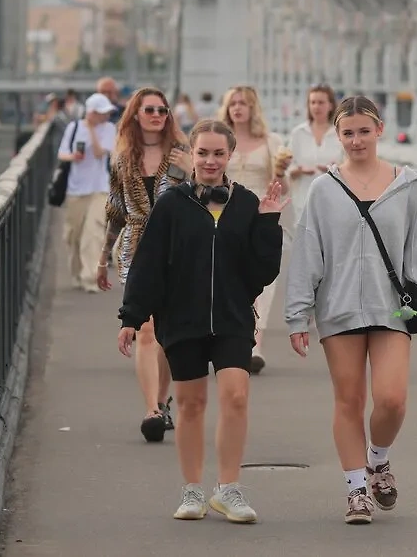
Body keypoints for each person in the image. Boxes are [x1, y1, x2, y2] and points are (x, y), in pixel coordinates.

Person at [284, 95, 417, 525]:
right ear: (339, 136)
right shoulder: (325, 189)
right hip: (338, 307)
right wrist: (297, 314)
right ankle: (356, 491)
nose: (356, 140)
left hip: (393, 309)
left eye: (364, 131)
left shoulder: (406, 185)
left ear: (379, 129)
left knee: (392, 400)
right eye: (348, 133)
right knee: (349, 400)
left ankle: (378, 461)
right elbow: (309, 252)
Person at [117, 119, 286, 523]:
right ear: (191, 155)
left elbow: (261, 272)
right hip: (183, 320)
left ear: (230, 157)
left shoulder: (245, 203)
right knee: (191, 404)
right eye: (203, 153)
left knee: (236, 397)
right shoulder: (171, 205)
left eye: (218, 154)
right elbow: (150, 264)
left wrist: (268, 222)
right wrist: (132, 315)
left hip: (232, 318)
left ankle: (228, 490)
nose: (210, 161)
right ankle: (192, 491)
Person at [99, 87, 192, 442]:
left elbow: (206, 199)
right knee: (146, 329)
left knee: (167, 336)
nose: (157, 115)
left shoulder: (182, 155)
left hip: (177, 249)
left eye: (163, 110)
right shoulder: (123, 160)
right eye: (149, 109)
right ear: (135, 115)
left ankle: (162, 400)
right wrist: (101, 259)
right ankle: (151, 409)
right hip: (137, 248)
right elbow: (116, 212)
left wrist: (195, 171)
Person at [218, 85, 292, 374]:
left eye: (243, 103)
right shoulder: (220, 138)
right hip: (224, 217)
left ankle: (254, 347)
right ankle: (228, 342)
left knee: (263, 285)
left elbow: (283, 188)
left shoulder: (271, 141)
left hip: (261, 218)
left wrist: (281, 173)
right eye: (233, 103)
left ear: (253, 108)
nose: (237, 108)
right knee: (228, 282)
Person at [57, 93, 117, 293]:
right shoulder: (73, 128)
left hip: (99, 188)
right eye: (102, 113)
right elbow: (62, 153)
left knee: (93, 232)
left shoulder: (108, 129)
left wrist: (92, 131)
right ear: (92, 112)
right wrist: (73, 156)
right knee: (73, 236)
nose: (106, 116)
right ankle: (76, 273)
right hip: (76, 189)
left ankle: (90, 277)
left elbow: (101, 153)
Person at [288, 84, 344, 219]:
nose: (316, 107)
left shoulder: (340, 132)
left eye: (321, 102)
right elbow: (287, 169)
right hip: (303, 202)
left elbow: (350, 167)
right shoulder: (298, 133)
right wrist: (299, 170)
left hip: (334, 202)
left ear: (330, 105)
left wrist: (335, 170)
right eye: (312, 102)